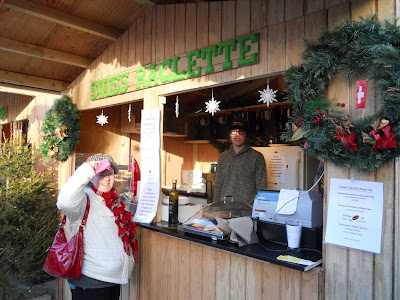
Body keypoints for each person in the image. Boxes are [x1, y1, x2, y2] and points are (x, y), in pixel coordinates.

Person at [57, 153, 138, 300]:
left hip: (112, 280)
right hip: (91, 281)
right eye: (101, 174)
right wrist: (87, 169)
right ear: (90, 176)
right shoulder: (82, 199)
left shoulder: (114, 202)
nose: (107, 178)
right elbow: (64, 202)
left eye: (111, 174)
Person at [214, 120, 267, 204]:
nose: (237, 135)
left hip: (247, 210)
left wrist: (257, 209)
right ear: (230, 135)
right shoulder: (223, 157)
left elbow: (262, 187)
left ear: (246, 135)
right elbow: (218, 184)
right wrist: (215, 206)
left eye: (241, 132)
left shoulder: (257, 157)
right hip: (224, 208)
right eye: (234, 131)